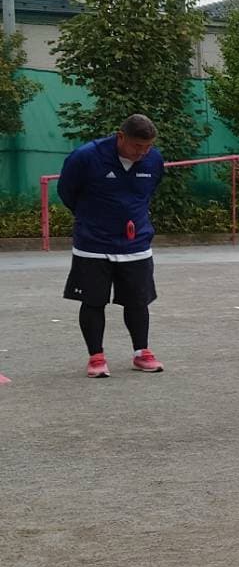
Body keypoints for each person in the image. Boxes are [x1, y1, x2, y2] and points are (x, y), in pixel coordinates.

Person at [58, 113, 167, 378]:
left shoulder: (154, 160)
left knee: (138, 301)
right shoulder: (85, 157)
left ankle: (142, 352)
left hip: (136, 244)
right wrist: (94, 219)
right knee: (93, 301)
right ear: (120, 137)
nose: (142, 153)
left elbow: (148, 192)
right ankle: (96, 357)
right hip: (93, 244)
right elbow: (66, 192)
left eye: (147, 147)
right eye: (136, 146)